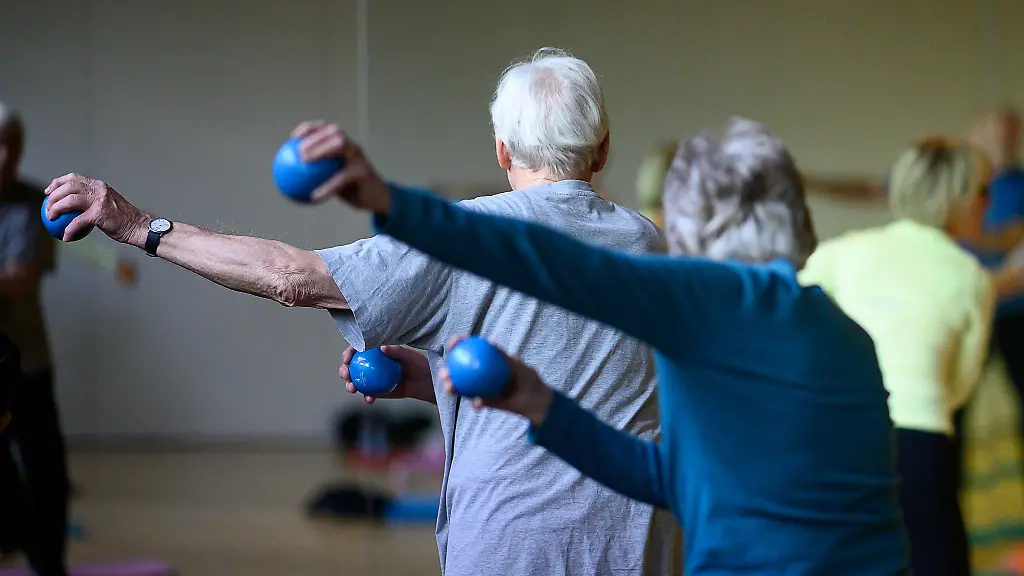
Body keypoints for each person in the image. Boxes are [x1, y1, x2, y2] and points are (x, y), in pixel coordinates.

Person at [40, 49, 680, 575]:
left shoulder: (464, 235)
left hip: (514, 548)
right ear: (601, 152)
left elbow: (294, 278)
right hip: (637, 545)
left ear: (502, 151)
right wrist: (433, 384)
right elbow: (591, 386)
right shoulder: (648, 242)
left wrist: (138, 228)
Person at [297, 117, 911, 574]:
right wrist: (540, 406)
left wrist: (387, 202)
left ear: (691, 222)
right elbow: (673, 480)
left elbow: (537, 256)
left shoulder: (704, 302)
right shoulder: (847, 336)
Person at [799, 137, 1024, 576]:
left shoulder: (844, 251)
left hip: (838, 431)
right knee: (936, 561)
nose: (988, 202)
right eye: (982, 191)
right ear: (959, 200)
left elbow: (791, 313)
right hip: (919, 437)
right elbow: (957, 385)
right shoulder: (971, 278)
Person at [0, 103, 70, 576]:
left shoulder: (36, 205)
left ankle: (49, 568)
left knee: (46, 475)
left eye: (14, 145)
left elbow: (16, 281)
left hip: (23, 364)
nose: (6, 156)